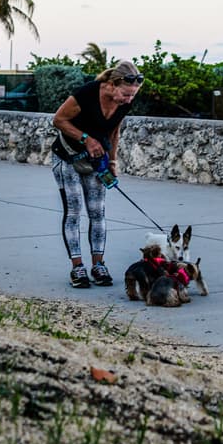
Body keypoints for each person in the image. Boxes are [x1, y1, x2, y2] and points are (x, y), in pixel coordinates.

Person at [50, 59, 144, 287]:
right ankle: (77, 268)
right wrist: (87, 139)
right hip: (68, 156)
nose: (128, 100)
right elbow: (58, 120)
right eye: (126, 94)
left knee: (97, 211)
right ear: (112, 85)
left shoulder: (124, 103)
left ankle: (98, 265)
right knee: (74, 211)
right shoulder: (87, 94)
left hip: (96, 160)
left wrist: (112, 161)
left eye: (133, 96)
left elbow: (114, 132)